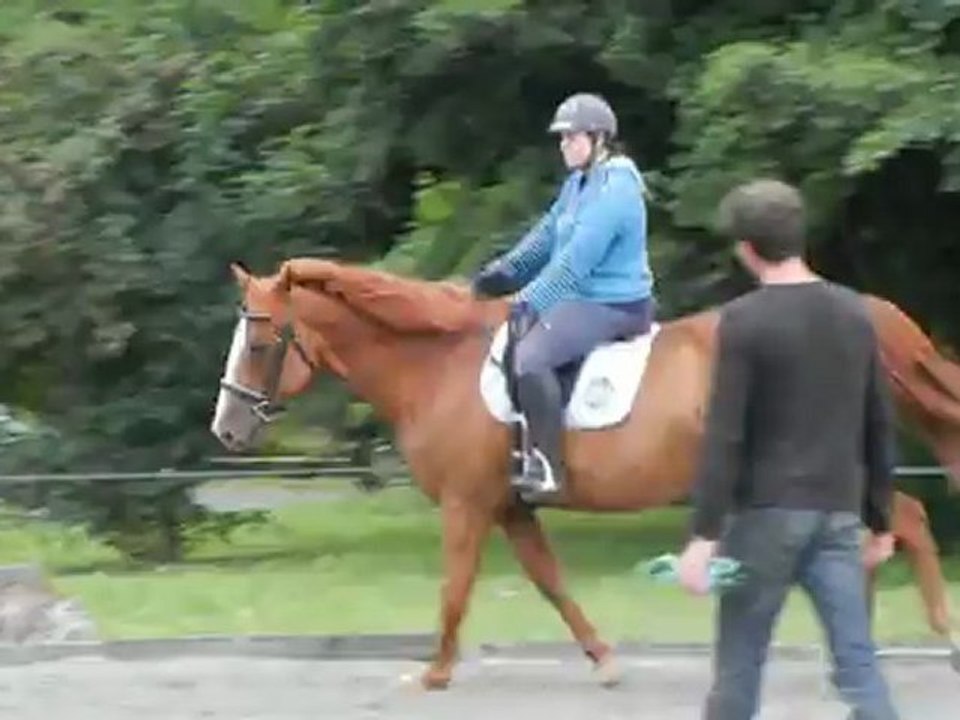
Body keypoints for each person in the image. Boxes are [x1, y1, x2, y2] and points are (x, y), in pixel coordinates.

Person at [676, 178, 901, 719]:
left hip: (765, 516)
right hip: (838, 513)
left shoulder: (744, 321)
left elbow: (726, 433)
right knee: (857, 664)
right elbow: (877, 421)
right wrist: (881, 519)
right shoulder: (854, 313)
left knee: (739, 665)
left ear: (747, 250)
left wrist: (703, 535)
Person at [471, 92, 655, 498]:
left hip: (614, 303)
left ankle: (549, 469)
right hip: (582, 298)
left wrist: (528, 301)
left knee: (532, 356)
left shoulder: (617, 190)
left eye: (572, 137)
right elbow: (544, 239)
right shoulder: (578, 185)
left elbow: (577, 261)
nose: (564, 145)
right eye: (561, 138)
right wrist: (499, 274)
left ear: (599, 139)